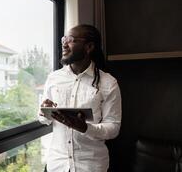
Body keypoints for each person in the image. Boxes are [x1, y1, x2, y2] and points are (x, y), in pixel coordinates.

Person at [39, 24, 122, 172]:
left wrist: (85, 128)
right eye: (64, 39)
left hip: (91, 166)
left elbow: (113, 128)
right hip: (56, 165)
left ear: (89, 47)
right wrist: (44, 111)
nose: (64, 43)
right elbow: (43, 120)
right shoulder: (53, 78)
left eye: (70, 39)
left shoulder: (109, 83)